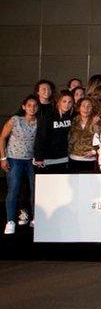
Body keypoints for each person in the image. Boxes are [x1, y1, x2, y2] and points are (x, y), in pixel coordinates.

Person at [1, 95, 39, 234]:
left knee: (35, 190)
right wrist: (3, 158)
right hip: (14, 158)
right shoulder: (15, 120)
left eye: (35, 105)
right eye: (29, 105)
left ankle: (35, 217)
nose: (32, 108)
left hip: (31, 160)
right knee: (14, 189)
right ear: (24, 107)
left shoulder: (39, 122)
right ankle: (10, 220)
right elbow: (2, 137)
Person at [33, 90, 74, 174]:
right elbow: (40, 136)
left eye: (70, 102)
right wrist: (39, 157)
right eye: (64, 101)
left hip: (64, 158)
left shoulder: (72, 117)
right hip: (47, 158)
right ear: (59, 102)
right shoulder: (48, 116)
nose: (67, 104)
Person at [67, 98, 101, 173]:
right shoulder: (73, 120)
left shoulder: (98, 121)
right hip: (74, 158)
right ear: (79, 107)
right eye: (83, 106)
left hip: (91, 160)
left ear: (92, 108)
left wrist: (94, 151)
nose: (86, 109)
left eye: (89, 106)